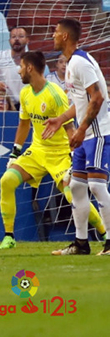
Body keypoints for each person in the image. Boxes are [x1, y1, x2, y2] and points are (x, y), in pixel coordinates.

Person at [0, 51, 106, 250]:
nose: (19, 71)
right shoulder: (25, 93)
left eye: (21, 67)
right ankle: (9, 237)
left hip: (60, 153)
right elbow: (24, 124)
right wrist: (15, 152)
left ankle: (104, 233)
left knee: (74, 195)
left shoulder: (55, 94)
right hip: (37, 152)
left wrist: (73, 159)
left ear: (30, 68)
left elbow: (69, 128)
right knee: (6, 181)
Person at [43, 19, 110, 256]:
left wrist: (81, 130)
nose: (53, 35)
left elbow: (98, 97)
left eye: (56, 31)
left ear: (65, 36)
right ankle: (81, 244)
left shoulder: (80, 62)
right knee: (77, 186)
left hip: (98, 131)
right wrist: (61, 119)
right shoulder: (72, 63)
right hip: (86, 133)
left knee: (96, 185)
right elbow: (81, 102)